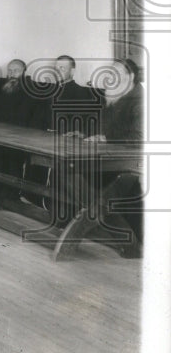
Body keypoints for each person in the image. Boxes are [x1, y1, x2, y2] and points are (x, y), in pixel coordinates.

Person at [82, 59, 145, 256]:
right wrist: (84, 135)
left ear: (131, 76)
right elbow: (104, 129)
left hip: (132, 163)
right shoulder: (115, 96)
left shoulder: (140, 100)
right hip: (111, 159)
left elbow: (140, 137)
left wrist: (105, 138)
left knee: (77, 176)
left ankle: (128, 238)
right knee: (74, 175)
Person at [50, 55, 100, 136]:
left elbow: (81, 125)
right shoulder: (50, 91)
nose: (57, 72)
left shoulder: (80, 93)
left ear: (72, 71)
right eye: (56, 69)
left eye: (62, 68)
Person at [0, 59, 45, 128]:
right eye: (9, 70)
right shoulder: (3, 86)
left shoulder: (31, 89)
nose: (12, 74)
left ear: (24, 72)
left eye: (16, 70)